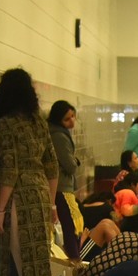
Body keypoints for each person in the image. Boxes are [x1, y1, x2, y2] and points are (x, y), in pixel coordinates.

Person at [0, 69, 58, 276]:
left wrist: (0, 210)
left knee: (18, 263)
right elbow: (52, 166)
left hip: (19, 199)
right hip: (40, 194)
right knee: (36, 261)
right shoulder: (38, 122)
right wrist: (51, 204)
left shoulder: (6, 124)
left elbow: (10, 171)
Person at [48, 100, 81, 251]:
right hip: (62, 187)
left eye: (73, 116)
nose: (72, 121)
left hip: (62, 186)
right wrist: (75, 161)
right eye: (67, 119)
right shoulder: (59, 136)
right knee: (71, 228)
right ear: (58, 120)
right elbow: (70, 165)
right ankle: (73, 260)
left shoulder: (60, 133)